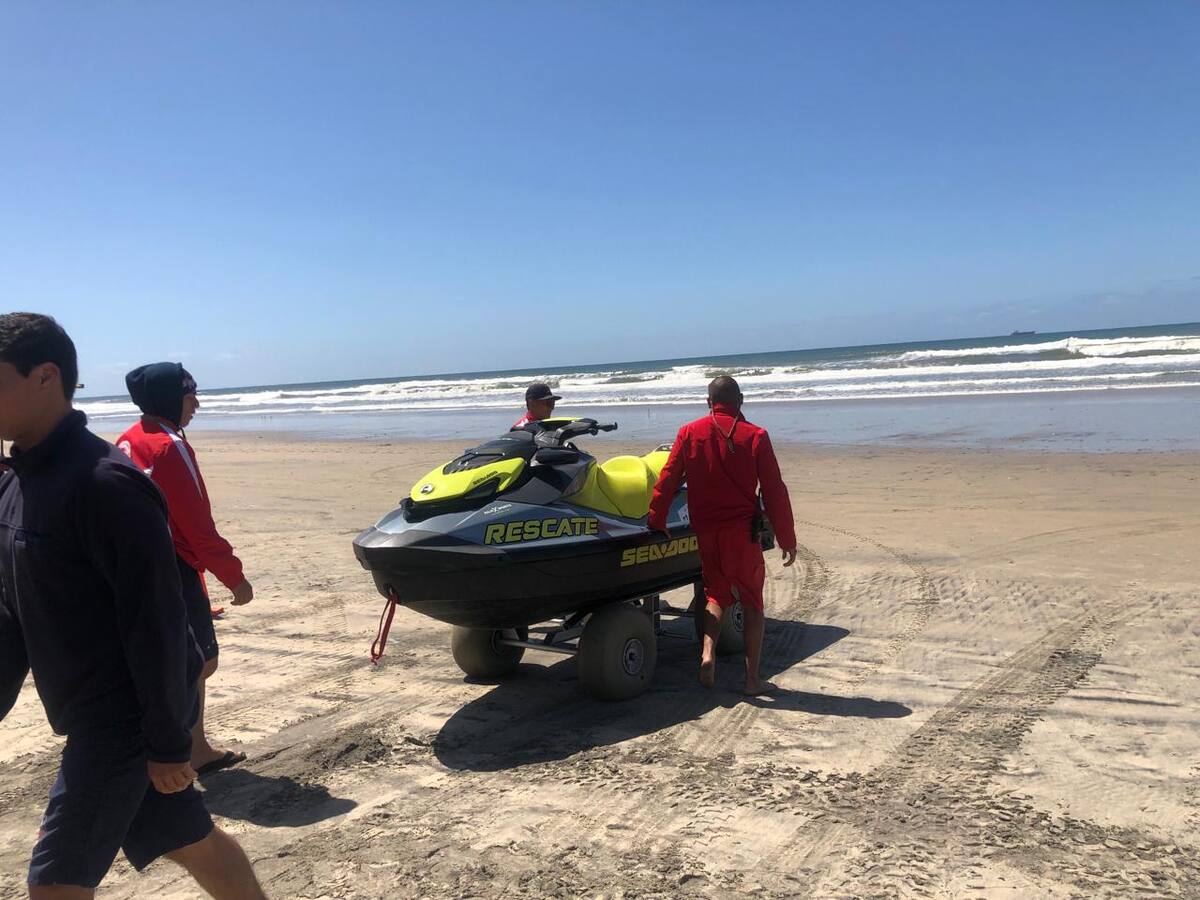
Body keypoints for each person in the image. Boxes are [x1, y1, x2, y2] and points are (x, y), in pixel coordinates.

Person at [0, 313, 265, 898]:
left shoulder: (106, 485)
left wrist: (170, 743)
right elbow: (13, 613)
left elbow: (161, 625)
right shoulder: (14, 485)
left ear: (46, 377)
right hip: (92, 714)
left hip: (120, 724)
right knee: (191, 842)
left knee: (54, 886)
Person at [117, 363, 253, 777]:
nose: (196, 403)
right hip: (171, 566)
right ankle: (189, 751)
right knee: (199, 661)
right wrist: (233, 576)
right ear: (170, 399)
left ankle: (182, 746)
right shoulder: (169, 446)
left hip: (134, 564)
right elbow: (196, 522)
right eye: (190, 395)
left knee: (173, 658)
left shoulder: (129, 438)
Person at [648, 375, 798, 695]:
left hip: (706, 531)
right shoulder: (756, 436)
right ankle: (752, 680)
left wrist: (656, 519)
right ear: (741, 400)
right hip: (742, 534)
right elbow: (774, 491)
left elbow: (667, 480)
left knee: (716, 596)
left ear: (708, 402)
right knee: (753, 603)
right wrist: (787, 538)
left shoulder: (688, 433)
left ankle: (706, 653)